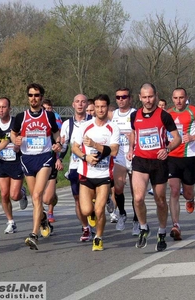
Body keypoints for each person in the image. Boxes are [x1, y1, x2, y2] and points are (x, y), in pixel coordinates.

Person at [127, 83, 181, 252]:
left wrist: (167, 149)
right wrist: (131, 148)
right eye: (144, 97)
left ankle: (162, 232)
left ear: (155, 96)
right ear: (140, 97)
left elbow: (177, 138)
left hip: (159, 162)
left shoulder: (164, 115)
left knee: (160, 200)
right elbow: (134, 133)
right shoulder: (135, 115)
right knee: (138, 198)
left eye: (150, 96)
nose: (148, 100)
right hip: (140, 161)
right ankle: (144, 227)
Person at [11, 83, 62, 250]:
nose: (34, 98)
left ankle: (33, 234)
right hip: (27, 158)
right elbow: (13, 132)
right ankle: (43, 218)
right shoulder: (21, 116)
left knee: (38, 194)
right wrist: (15, 140)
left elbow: (55, 132)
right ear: (28, 97)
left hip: (44, 158)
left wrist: (58, 143)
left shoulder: (48, 116)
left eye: (37, 95)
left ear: (41, 97)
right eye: (31, 95)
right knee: (35, 198)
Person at [72, 94, 120, 251]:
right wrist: (85, 157)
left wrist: (95, 144)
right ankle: (91, 214)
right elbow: (75, 147)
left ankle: (98, 237)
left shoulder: (113, 128)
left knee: (99, 210)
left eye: (103, 106)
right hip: (86, 173)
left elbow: (113, 151)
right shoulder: (85, 126)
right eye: (97, 107)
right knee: (86, 210)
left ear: (108, 107)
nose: (100, 110)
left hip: (104, 175)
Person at [167, 88, 195, 241]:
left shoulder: (194, 112)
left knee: (187, 192)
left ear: (186, 98)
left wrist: (193, 136)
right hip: (172, 157)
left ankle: (190, 199)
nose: (178, 101)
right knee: (174, 190)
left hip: (189, 157)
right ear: (172, 98)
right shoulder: (168, 114)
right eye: (176, 98)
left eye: (181, 98)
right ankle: (176, 225)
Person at [60, 94, 93, 242]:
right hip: (75, 167)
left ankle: (96, 210)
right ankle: (85, 227)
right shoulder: (67, 124)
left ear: (87, 105)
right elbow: (63, 145)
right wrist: (59, 155)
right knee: (78, 199)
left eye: (83, 102)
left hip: (92, 166)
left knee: (93, 197)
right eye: (77, 102)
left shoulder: (94, 122)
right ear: (73, 105)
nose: (80, 104)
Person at [0, 97, 28, 234]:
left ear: (9, 108)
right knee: (4, 194)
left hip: (17, 162)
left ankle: (22, 193)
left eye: (4, 107)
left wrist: (19, 146)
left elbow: (24, 138)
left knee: (14, 195)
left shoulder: (16, 122)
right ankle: (11, 221)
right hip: (2, 163)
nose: (1, 110)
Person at [110, 88, 138, 234]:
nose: (121, 99)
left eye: (124, 97)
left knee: (136, 193)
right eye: (118, 97)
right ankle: (122, 213)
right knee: (118, 188)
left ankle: (136, 220)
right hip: (120, 156)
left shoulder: (135, 113)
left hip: (134, 155)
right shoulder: (112, 115)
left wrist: (132, 137)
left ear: (130, 98)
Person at [42, 98, 63, 223]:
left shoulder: (55, 119)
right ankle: (41, 213)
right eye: (45, 109)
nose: (47, 111)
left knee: (48, 196)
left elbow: (59, 138)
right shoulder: (37, 121)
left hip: (52, 157)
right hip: (38, 159)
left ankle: (50, 210)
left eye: (49, 108)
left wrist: (58, 158)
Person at [148, 98, 168, 196]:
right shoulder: (152, 115)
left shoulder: (166, 115)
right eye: (160, 105)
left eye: (163, 105)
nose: (161, 107)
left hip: (166, 145)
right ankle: (153, 187)